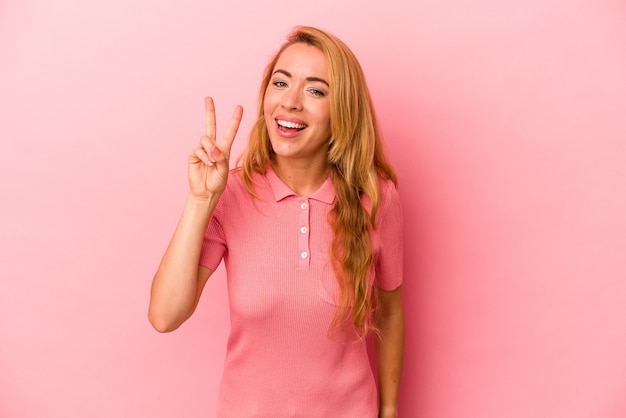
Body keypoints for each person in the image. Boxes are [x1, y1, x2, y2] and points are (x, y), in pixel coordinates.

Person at [149, 25, 404, 418]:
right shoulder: (231, 193)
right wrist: (201, 201)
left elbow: (389, 310)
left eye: (315, 90)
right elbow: (165, 316)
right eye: (280, 83)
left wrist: (388, 411)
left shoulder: (377, 199)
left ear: (344, 111)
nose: (290, 102)